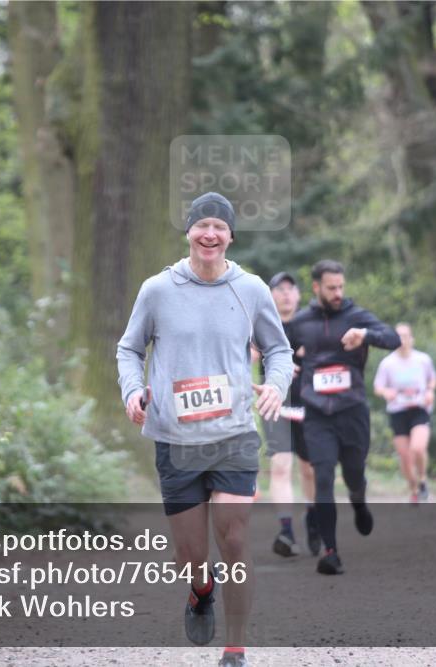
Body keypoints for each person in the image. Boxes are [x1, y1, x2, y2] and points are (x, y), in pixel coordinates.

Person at [117, 191, 293, 667]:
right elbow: (129, 350)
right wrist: (133, 391)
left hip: (234, 435)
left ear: (231, 236)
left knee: (233, 539)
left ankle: (235, 649)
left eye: (219, 227)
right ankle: (201, 589)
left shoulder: (251, 289)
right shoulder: (158, 289)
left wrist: (275, 384)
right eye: (202, 226)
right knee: (190, 554)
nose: (210, 234)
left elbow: (280, 350)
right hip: (175, 440)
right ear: (189, 233)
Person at [287, 260, 401, 575]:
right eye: (331, 288)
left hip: (352, 412)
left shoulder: (355, 316)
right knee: (323, 477)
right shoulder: (300, 322)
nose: (338, 293)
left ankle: (358, 500)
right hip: (317, 415)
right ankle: (331, 552)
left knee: (353, 474)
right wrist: (285, 364)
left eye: (341, 287)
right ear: (316, 287)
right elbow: (277, 349)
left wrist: (364, 335)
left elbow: (393, 338)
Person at [254, 271, 319, 558]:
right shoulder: (262, 324)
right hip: (275, 403)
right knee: (281, 467)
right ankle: (286, 532)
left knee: (310, 470)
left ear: (299, 295)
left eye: (291, 289)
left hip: (310, 406)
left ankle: (315, 518)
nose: (285, 294)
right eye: (279, 289)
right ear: (270, 295)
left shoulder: (310, 325)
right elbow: (246, 355)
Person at [373, 323, 436, 504]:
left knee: (417, 448)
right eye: (398, 336)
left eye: (405, 336)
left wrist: (430, 391)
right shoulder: (387, 363)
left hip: (419, 409)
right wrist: (386, 392)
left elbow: (432, 378)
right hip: (398, 411)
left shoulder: (423, 359)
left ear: (412, 339)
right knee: (405, 455)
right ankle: (414, 489)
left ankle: (423, 478)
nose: (402, 340)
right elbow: (378, 387)